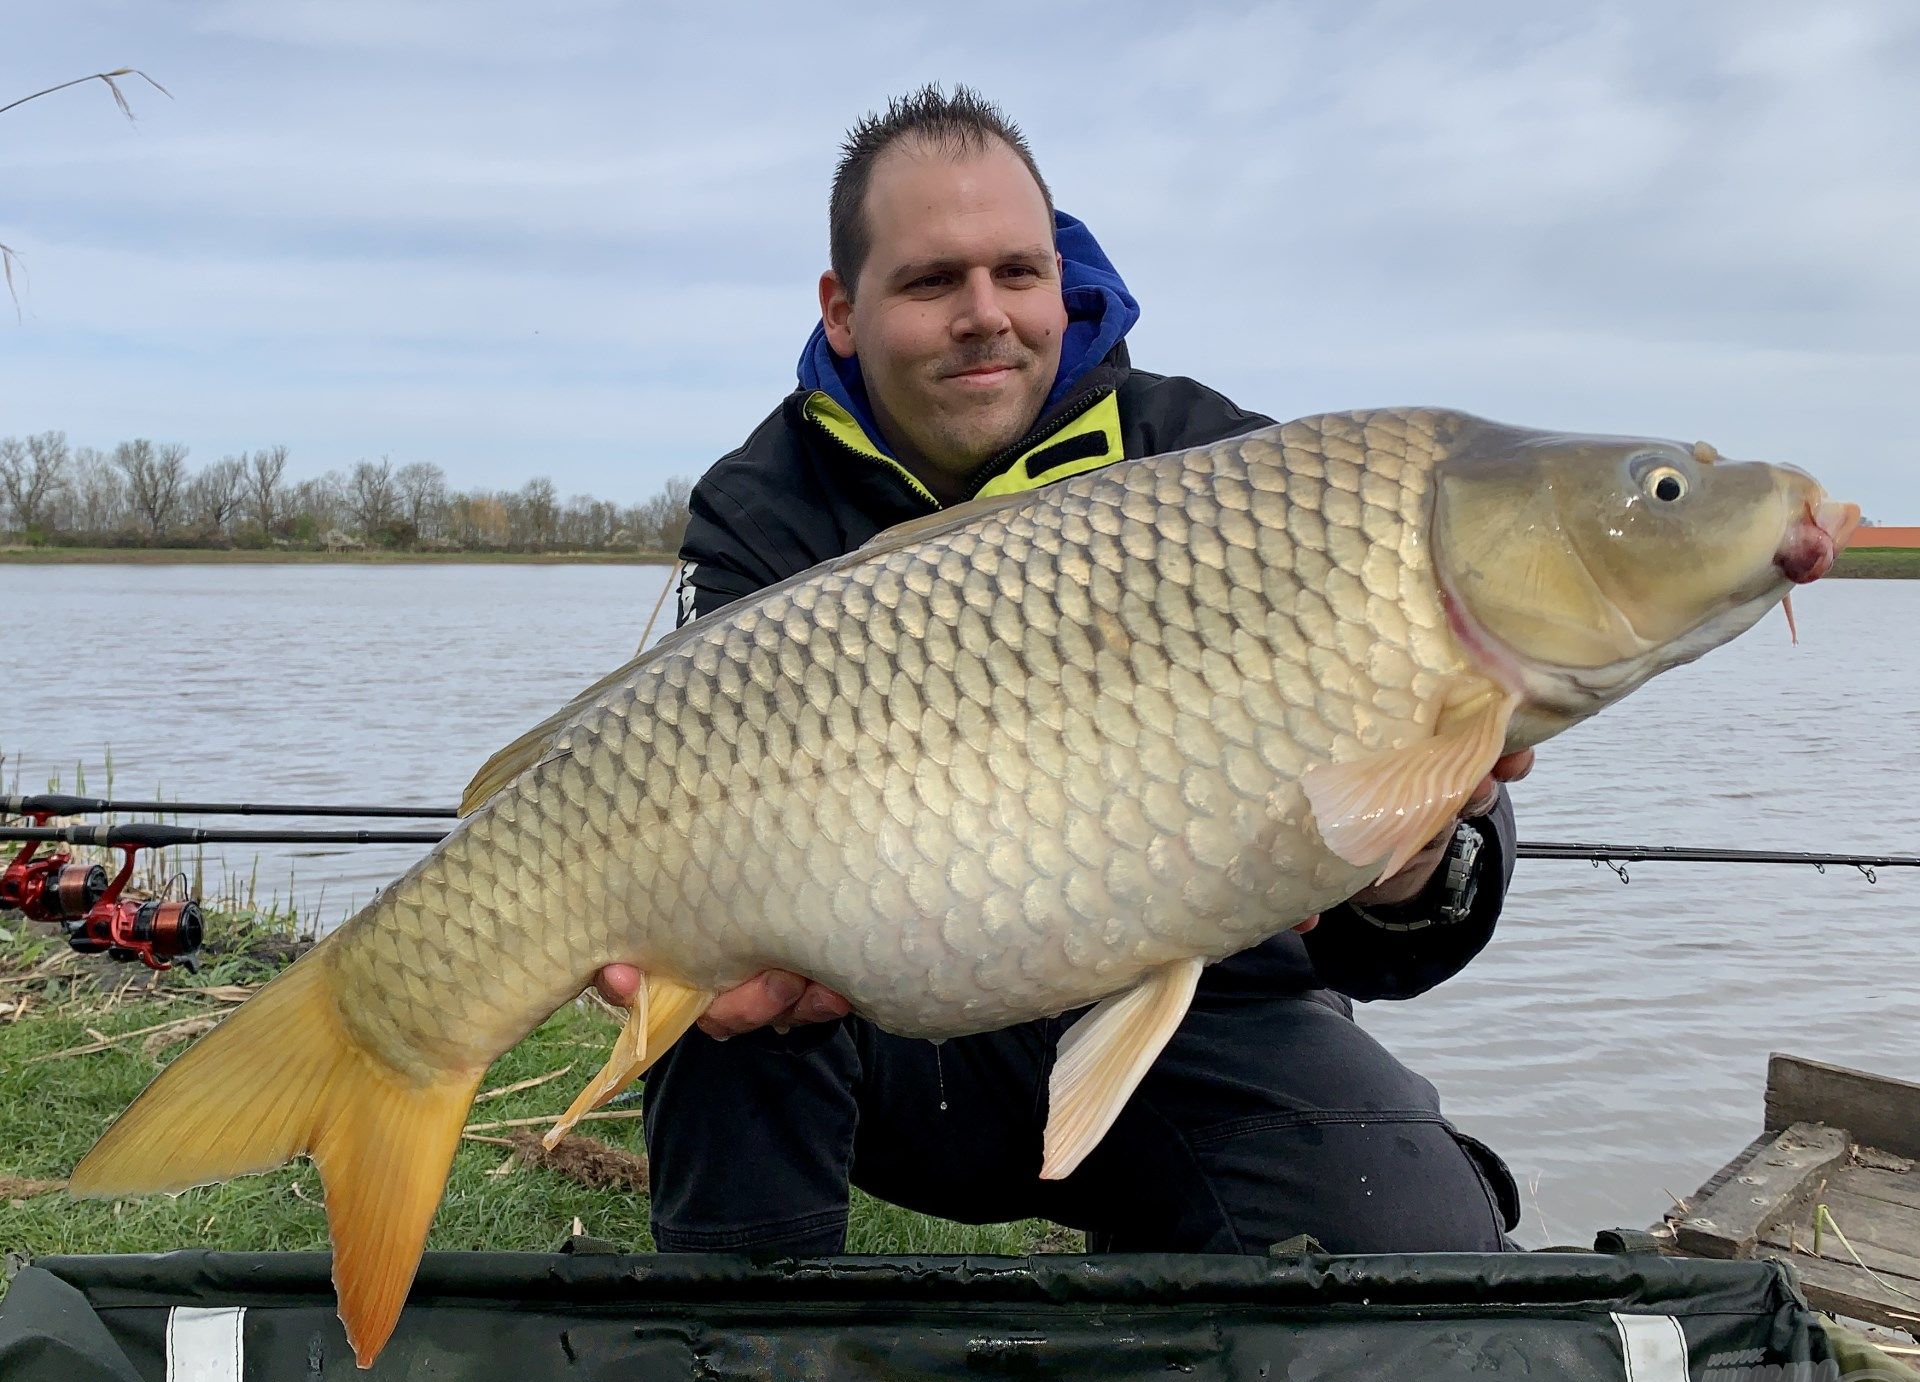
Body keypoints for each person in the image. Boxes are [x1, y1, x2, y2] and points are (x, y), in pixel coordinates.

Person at [596, 85, 1533, 1258]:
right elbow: (671, 804)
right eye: (934, 282)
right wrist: (674, 946)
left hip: (1200, 1010)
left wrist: (1407, 870)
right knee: (712, 1001)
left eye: (1019, 272)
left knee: (1415, 1238)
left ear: (1062, 274)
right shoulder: (765, 505)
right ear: (843, 310)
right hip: (890, 1022)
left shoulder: (1218, 463)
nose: (986, 316)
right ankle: (746, 1364)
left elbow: (1414, 939)